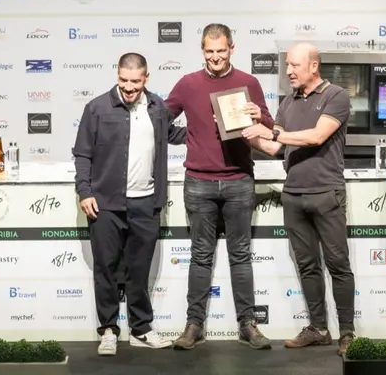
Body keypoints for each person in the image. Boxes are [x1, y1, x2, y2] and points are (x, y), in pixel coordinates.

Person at [242, 42, 356, 356]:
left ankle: (347, 333)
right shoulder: (287, 102)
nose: (289, 71)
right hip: (293, 195)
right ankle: (318, 329)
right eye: (287, 65)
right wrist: (243, 130)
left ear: (313, 66)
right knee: (307, 266)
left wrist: (271, 132)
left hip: (326, 193)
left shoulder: (336, 96)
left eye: (295, 65)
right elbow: (273, 147)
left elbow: (316, 136)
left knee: (338, 264)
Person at [165, 23, 274, 351]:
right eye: (210, 51)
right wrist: (190, 137)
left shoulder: (249, 83)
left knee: (240, 255)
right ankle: (194, 325)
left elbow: (270, 127)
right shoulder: (188, 84)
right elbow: (160, 121)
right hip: (198, 182)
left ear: (232, 49)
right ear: (202, 50)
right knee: (200, 255)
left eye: (221, 51)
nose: (215, 57)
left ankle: (248, 325)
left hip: (239, 180)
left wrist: (258, 117)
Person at [73, 52, 187, 356]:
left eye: (135, 81)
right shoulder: (96, 108)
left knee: (139, 270)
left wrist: (211, 127)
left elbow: (173, 134)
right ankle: (108, 330)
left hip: (146, 204)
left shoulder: (157, 107)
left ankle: (141, 329)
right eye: (123, 80)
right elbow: (82, 153)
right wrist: (84, 191)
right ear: (117, 75)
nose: (129, 87)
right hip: (105, 205)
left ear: (146, 78)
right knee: (106, 269)